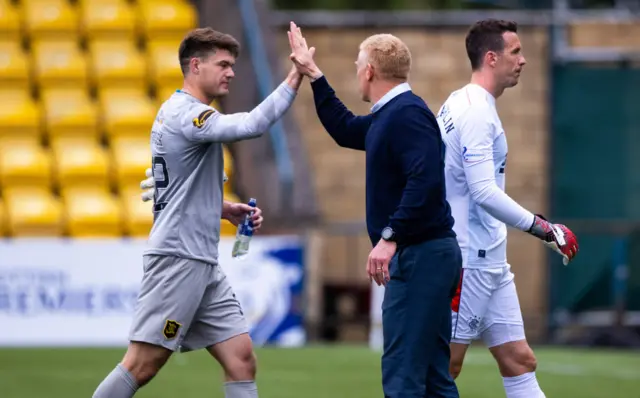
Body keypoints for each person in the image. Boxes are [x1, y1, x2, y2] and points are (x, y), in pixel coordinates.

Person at [91, 27, 305, 398]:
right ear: (195, 66)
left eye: (233, 65)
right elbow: (251, 125)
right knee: (142, 364)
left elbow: (178, 188)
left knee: (241, 358)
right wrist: (296, 75)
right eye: (223, 64)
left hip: (201, 260)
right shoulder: (187, 115)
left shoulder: (188, 114)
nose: (231, 72)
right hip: (179, 258)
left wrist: (224, 209)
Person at [288, 22, 462, 398]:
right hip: (426, 255)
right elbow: (345, 128)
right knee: (433, 377)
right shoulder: (393, 113)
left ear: (369, 71)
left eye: (356, 65)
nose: (355, 71)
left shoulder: (408, 114)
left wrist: (389, 237)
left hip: (421, 257)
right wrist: (313, 74)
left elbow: (425, 181)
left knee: (403, 376)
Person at [435, 19, 579, 398]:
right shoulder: (476, 112)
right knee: (442, 367)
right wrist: (544, 229)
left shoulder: (460, 99)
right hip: (469, 258)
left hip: (490, 258)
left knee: (519, 359)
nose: (524, 60)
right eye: (516, 52)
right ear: (491, 57)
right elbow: (483, 191)